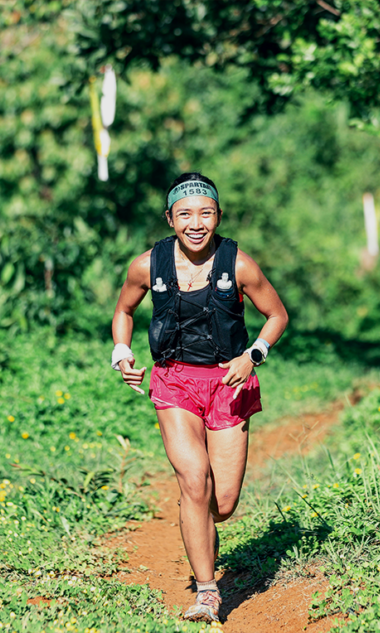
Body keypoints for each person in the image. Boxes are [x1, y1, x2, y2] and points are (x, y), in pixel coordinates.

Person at [111, 173, 288, 622]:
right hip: (174, 382)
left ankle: (197, 510)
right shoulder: (146, 265)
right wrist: (121, 351)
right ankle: (207, 592)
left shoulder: (240, 264)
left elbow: (276, 315)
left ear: (218, 217)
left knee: (222, 505)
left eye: (205, 213)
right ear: (170, 218)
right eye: (185, 214)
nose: (196, 223)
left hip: (229, 382)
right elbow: (124, 311)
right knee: (194, 477)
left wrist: (254, 354)